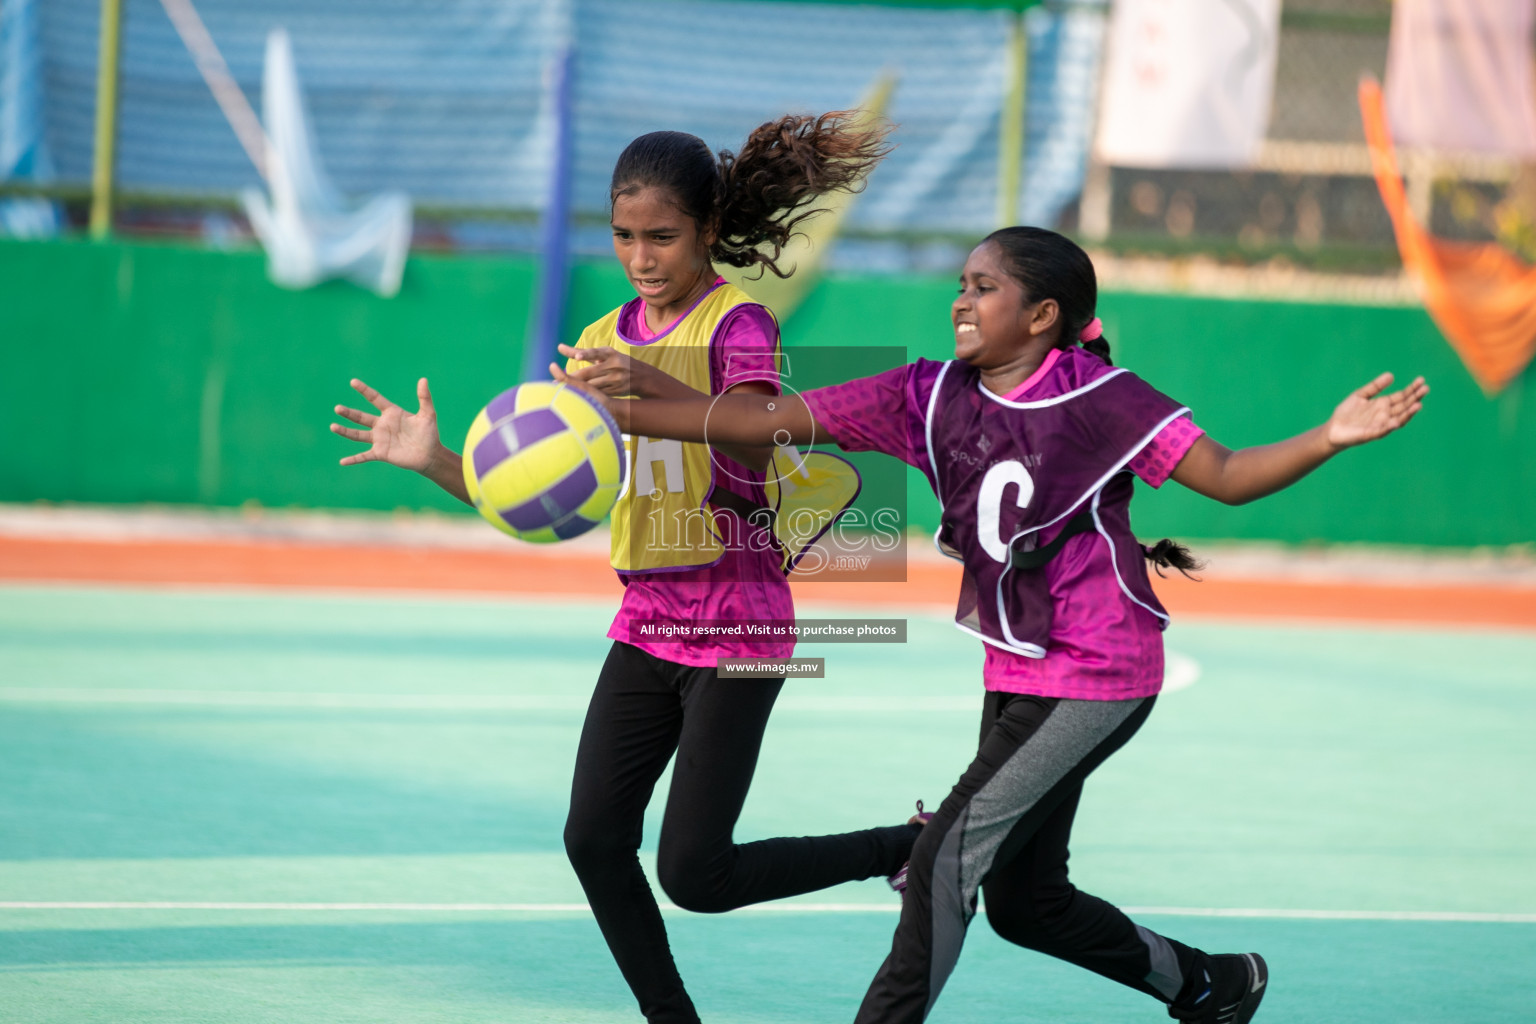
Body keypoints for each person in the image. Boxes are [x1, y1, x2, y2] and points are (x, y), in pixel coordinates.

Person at [555, 226, 1429, 1024]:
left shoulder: (1105, 400)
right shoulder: (922, 396)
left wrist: (1329, 436)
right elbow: (759, 421)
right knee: (1026, 903)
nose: (961, 302)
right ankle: (1209, 983)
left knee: (943, 865)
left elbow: (1228, 474)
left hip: (1098, 671)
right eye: (962, 285)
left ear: (1043, 316)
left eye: (983, 288)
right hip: (1018, 668)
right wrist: (640, 402)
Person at [331, 113, 923, 1024]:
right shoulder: (604, 338)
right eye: (624, 237)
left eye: (663, 237)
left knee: (697, 873)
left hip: (739, 626)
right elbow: (548, 498)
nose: (641, 257)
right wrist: (443, 462)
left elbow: (754, 434)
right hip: (647, 623)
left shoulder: (740, 323)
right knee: (594, 839)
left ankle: (904, 844)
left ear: (708, 230)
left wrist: (649, 396)